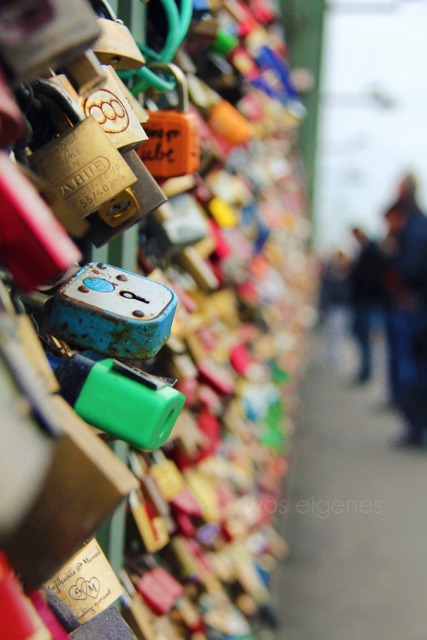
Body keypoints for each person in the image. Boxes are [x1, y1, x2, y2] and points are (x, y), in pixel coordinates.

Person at [380, 174, 427, 445]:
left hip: (412, 306)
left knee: (409, 368)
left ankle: (414, 425)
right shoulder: (418, 223)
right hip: (416, 304)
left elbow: (409, 267)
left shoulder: (411, 226)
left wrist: (391, 251)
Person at [348, 227, 388, 384]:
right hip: (366, 300)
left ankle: (367, 371)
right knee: (364, 336)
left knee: (367, 336)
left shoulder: (371, 251)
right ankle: (366, 370)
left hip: (368, 300)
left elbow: (370, 278)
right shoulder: (367, 250)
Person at [318, 249, 352, 372]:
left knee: (339, 333)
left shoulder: (346, 274)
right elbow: (326, 291)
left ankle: (336, 357)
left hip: (341, 306)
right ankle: (330, 357)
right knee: (330, 333)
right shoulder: (331, 273)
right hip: (333, 306)